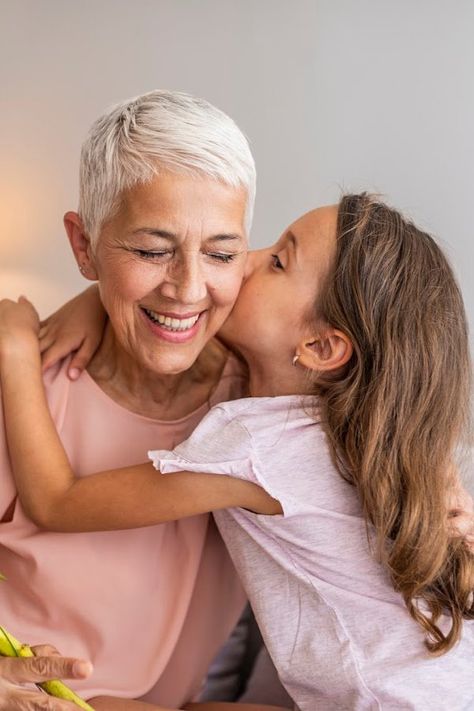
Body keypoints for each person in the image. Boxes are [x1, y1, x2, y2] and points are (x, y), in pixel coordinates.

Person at [1, 193, 473, 711]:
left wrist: (17, 355)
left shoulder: (258, 446)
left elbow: (57, 501)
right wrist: (94, 301)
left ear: (319, 348)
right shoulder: (359, 425)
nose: (245, 261)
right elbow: (175, 309)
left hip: (385, 702)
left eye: (276, 262)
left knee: (95, 706)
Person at [0, 89, 290, 710]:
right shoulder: (24, 392)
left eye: (220, 253)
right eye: (151, 250)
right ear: (84, 247)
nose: (188, 288)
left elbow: (391, 416)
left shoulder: (264, 403)